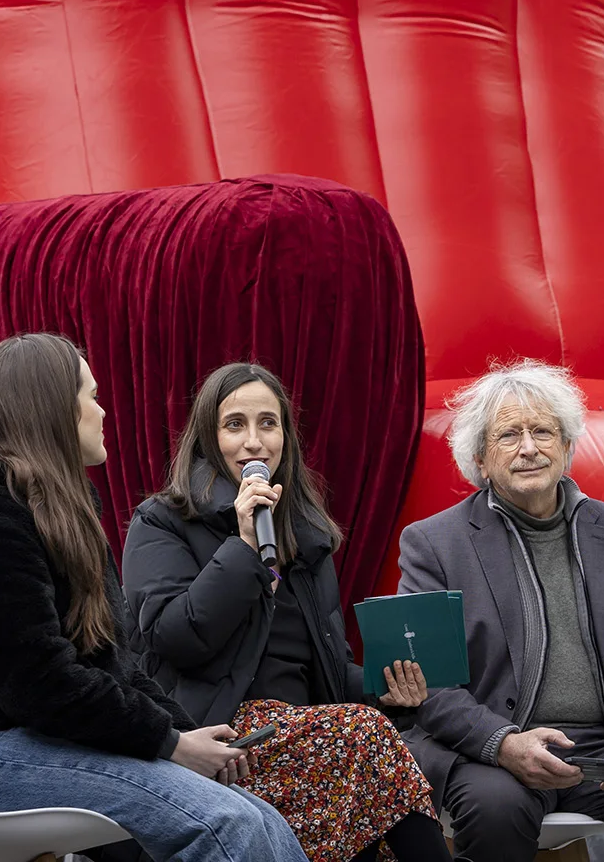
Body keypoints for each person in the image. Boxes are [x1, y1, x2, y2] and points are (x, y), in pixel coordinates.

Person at [0, 333, 308, 862]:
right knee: (224, 823)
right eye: (89, 397)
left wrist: (186, 734)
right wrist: (170, 745)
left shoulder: (53, 507)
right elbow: (37, 682)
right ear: (50, 410)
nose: (102, 409)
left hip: (25, 738)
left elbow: (110, 659)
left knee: (257, 815)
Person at [397, 360, 604, 862]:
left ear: (567, 447)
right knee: (494, 810)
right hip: (490, 749)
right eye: (509, 435)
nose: (529, 448)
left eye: (542, 432)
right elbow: (427, 681)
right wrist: (504, 743)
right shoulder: (433, 543)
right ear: (481, 460)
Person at [123, 362, 449, 862]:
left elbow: (330, 673)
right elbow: (174, 639)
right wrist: (243, 546)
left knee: (363, 743)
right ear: (208, 438)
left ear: (285, 438)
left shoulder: (306, 537)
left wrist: (391, 687)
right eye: (235, 425)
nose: (254, 441)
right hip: (227, 738)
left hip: (311, 735)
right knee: (361, 739)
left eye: (268, 423)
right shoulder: (163, 521)